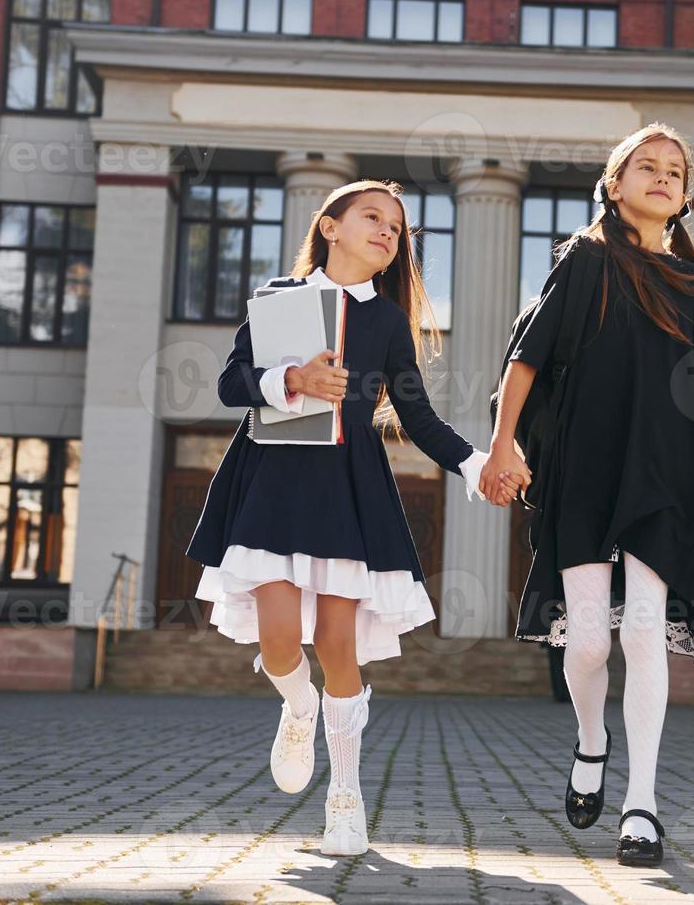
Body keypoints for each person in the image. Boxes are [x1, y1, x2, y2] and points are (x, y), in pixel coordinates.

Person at [481, 124, 694, 866]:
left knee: (642, 632)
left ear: (684, 195)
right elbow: (525, 360)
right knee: (590, 639)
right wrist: (505, 443)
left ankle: (641, 804)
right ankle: (590, 739)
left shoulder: (692, 281)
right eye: (648, 166)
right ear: (615, 184)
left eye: (676, 170)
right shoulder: (585, 260)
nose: (664, 177)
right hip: (585, 467)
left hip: (666, 470)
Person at [187, 179, 526, 856]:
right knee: (281, 642)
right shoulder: (281, 299)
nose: (386, 234)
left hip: (347, 488)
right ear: (331, 226)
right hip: (272, 483)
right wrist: (290, 380)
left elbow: (418, 415)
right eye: (372, 218)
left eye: (396, 230)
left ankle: (345, 796)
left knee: (338, 645)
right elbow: (231, 384)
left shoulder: (386, 322)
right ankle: (298, 706)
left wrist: (477, 463)